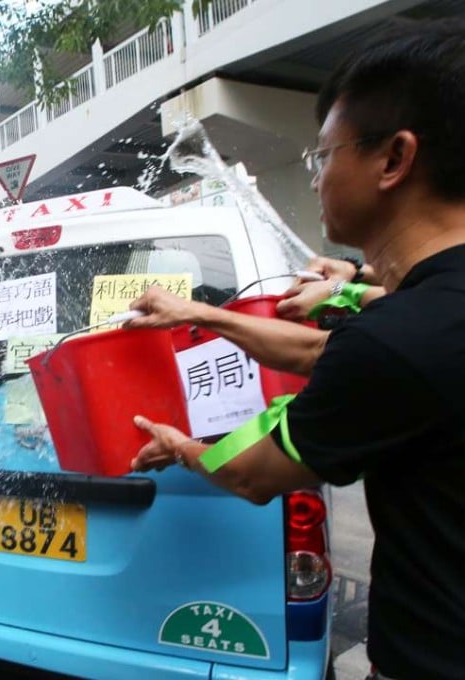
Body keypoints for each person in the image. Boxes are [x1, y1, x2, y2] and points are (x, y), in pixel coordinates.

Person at [127, 21, 465, 680]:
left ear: (394, 159)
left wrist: (180, 446)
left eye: (323, 156)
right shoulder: (414, 324)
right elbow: (322, 354)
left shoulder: (394, 343)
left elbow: (253, 471)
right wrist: (199, 313)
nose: (314, 178)